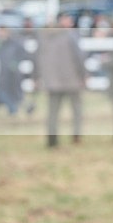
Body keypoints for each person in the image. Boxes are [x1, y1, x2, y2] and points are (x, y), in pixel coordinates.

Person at [34, 14, 88, 147]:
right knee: (76, 109)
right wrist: (84, 75)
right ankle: (76, 136)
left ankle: (52, 140)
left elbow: (37, 58)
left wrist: (36, 76)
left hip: (53, 81)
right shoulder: (70, 35)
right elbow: (78, 57)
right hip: (71, 79)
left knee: (53, 112)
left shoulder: (44, 37)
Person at [0, 27, 27, 115]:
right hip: (2, 73)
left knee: (14, 92)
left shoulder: (15, 42)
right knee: (2, 92)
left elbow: (22, 53)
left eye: (2, 32)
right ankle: (12, 109)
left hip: (13, 73)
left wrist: (16, 63)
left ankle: (14, 109)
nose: (1, 34)